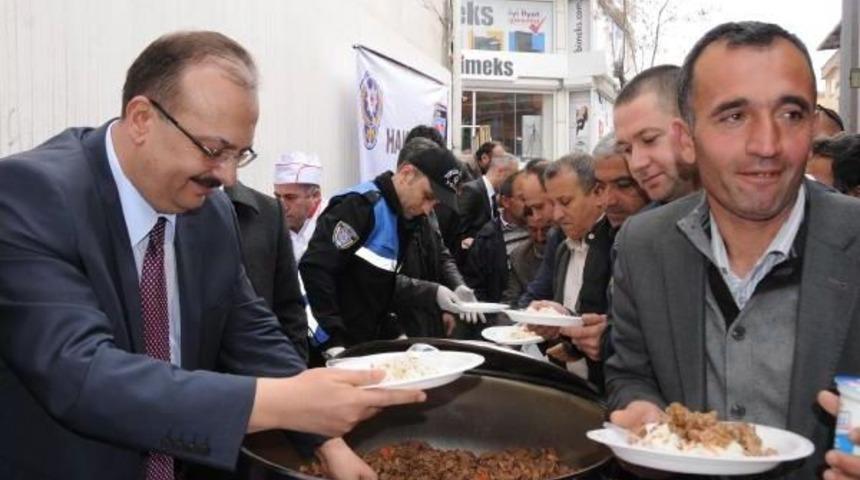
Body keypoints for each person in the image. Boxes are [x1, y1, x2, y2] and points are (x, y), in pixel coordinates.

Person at [0, 31, 425, 480]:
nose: (226, 175)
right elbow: (81, 375)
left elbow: (251, 334)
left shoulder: (209, 210)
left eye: (239, 154)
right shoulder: (32, 197)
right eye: (213, 149)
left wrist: (327, 441)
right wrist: (279, 404)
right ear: (142, 118)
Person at [605, 22, 860, 479]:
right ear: (686, 140)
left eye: (791, 114)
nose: (767, 145)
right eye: (734, 116)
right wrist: (641, 411)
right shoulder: (642, 246)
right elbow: (629, 373)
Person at [300, 139, 475, 358]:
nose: (428, 209)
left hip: (366, 345)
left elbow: (378, 286)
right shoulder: (359, 207)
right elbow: (313, 272)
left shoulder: (404, 219)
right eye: (428, 197)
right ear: (406, 174)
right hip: (333, 348)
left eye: (435, 204)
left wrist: (394, 333)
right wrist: (332, 342)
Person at [225, 181, 310, 362]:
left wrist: (295, 368)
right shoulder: (174, 211)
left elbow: (289, 306)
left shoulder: (268, 213)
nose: (227, 172)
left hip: (261, 374)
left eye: (237, 155)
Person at [614, 64, 698, 205]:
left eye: (649, 140)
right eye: (627, 150)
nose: (636, 164)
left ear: (689, 128)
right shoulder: (640, 227)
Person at [457, 153, 519, 252]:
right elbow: (458, 227)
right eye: (512, 177)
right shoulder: (472, 190)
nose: (515, 182)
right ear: (501, 172)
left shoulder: (492, 196)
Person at [274, 151, 326, 261]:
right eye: (278, 196)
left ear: (316, 196)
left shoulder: (333, 222)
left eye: (290, 197)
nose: (282, 206)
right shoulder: (271, 224)